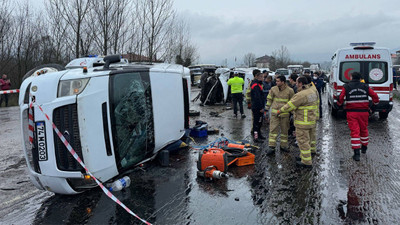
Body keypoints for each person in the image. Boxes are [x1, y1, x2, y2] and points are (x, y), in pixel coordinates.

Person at [337, 72, 379, 161]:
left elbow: (340, 98)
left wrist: (339, 104)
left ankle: (356, 154)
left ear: (351, 77)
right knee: (363, 129)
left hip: (352, 113)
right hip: (364, 112)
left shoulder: (346, 86)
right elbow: (375, 96)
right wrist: (373, 106)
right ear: (360, 78)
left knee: (355, 132)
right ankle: (364, 147)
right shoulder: (365, 86)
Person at [278, 76, 319, 168]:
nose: (296, 85)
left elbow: (290, 106)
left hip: (303, 122)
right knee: (310, 139)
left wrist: (279, 111)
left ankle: (306, 162)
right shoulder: (312, 91)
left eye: (297, 83)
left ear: (300, 83)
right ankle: (305, 156)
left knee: (303, 141)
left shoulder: (301, 95)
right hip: (311, 120)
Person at [265, 75, 294, 155]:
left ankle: (283, 146)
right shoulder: (273, 89)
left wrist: (293, 114)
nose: (276, 82)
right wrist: (267, 108)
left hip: (285, 115)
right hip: (274, 114)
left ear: (283, 82)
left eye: (278, 81)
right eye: (276, 81)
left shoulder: (290, 91)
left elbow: (292, 102)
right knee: (273, 130)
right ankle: (271, 147)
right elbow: (269, 99)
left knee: (284, 131)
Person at [250, 69, 266, 142]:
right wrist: (260, 107)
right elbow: (257, 98)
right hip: (257, 107)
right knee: (256, 123)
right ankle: (256, 137)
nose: (263, 78)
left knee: (260, 122)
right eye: (262, 77)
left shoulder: (258, 84)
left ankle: (259, 134)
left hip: (258, 106)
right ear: (257, 77)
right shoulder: (255, 85)